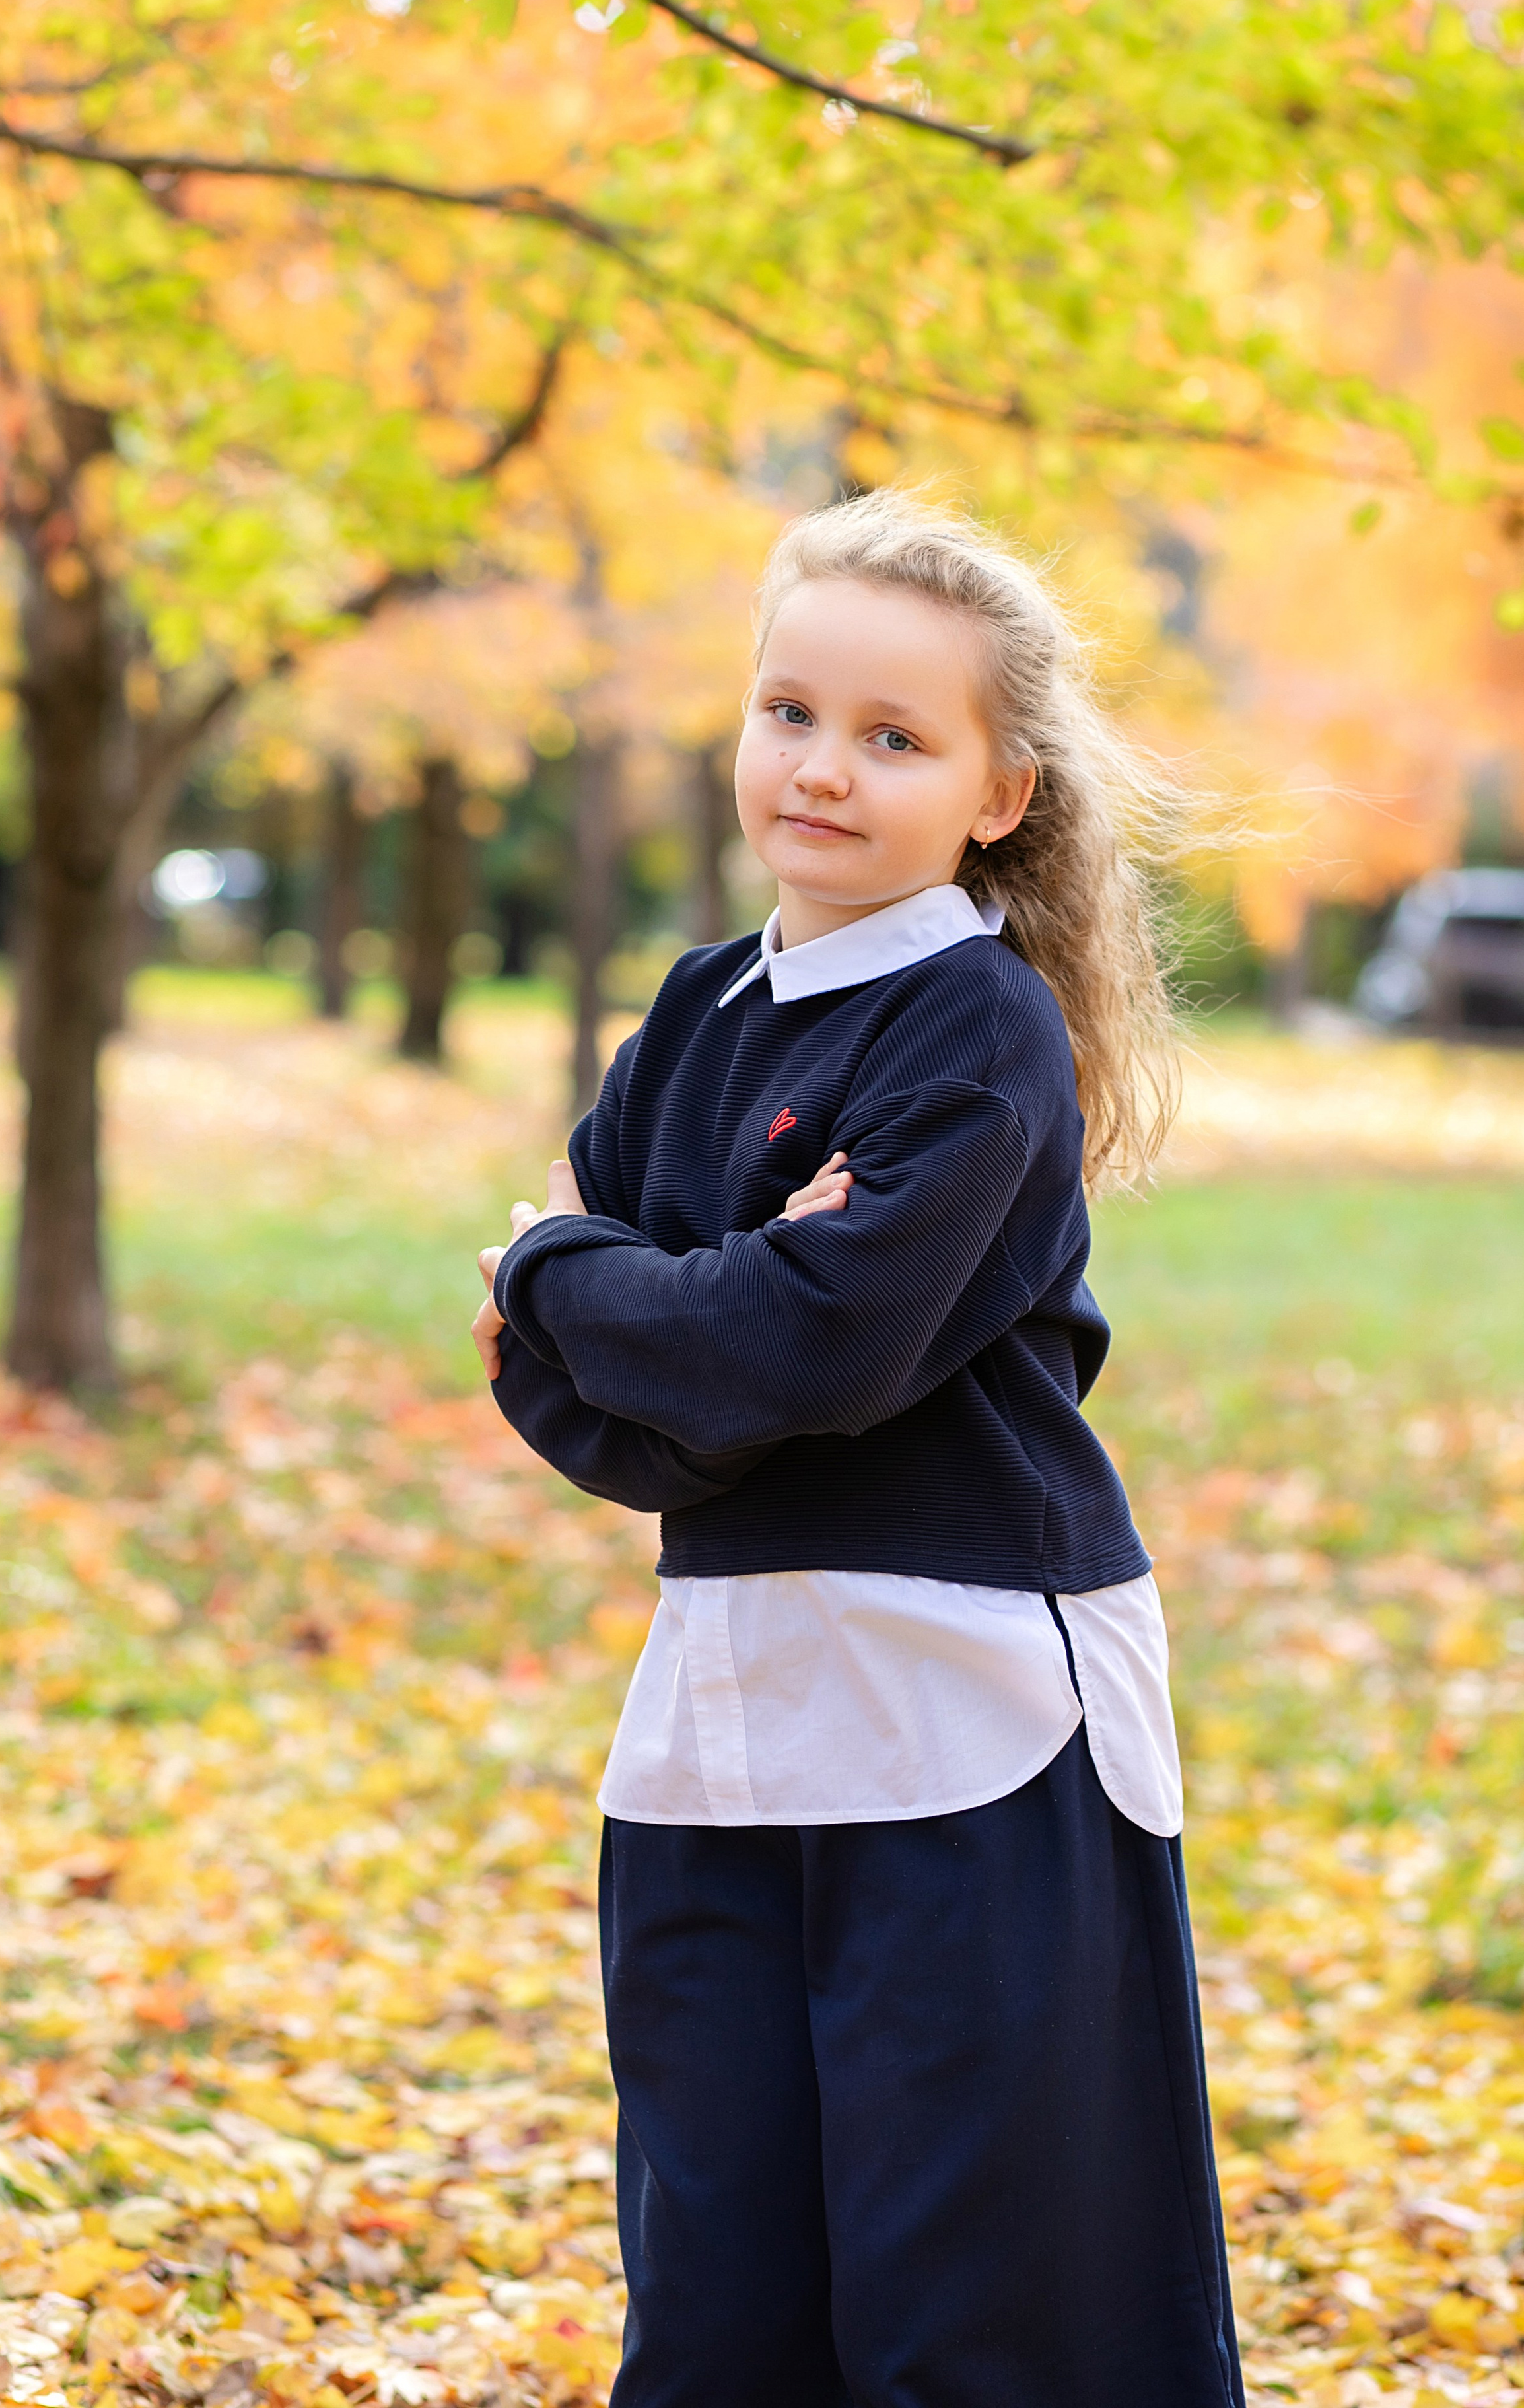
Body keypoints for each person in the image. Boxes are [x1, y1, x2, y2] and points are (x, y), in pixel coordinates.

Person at [471, 489, 1243, 2408]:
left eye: (897, 737)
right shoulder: (699, 1006)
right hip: (727, 1707)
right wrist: (658, 1305)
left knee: (974, 2322)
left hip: (973, 1721)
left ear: (1000, 791)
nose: (824, 770)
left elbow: (803, 1350)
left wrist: (587, 1270)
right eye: (790, 712)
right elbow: (590, 1396)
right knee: (721, 2301)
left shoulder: (980, 1028)